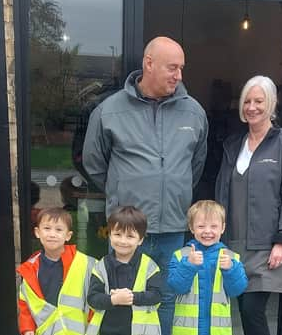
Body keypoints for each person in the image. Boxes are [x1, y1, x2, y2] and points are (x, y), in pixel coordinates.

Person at [82, 36, 209, 334]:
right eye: (172, 67)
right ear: (149, 64)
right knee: (120, 296)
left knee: (164, 298)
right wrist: (123, 190)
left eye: (182, 68)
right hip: (127, 230)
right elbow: (94, 164)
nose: (179, 75)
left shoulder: (194, 112)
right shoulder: (109, 110)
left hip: (172, 228)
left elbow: (196, 165)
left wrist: (173, 190)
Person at [215, 75, 282, 335]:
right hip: (233, 246)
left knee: (252, 311)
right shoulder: (233, 144)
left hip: (267, 247)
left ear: (272, 104)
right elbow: (222, 191)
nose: (251, 107)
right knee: (243, 310)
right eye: (247, 101)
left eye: (259, 101)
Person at [168, 200, 247, 335]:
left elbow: (237, 290)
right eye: (201, 226)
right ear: (191, 228)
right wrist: (188, 265)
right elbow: (176, 286)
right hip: (186, 331)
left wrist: (230, 269)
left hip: (218, 331)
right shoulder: (181, 256)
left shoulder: (231, 258)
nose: (207, 231)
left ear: (222, 228)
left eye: (214, 226)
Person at [17, 207, 96, 335]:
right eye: (47, 228)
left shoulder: (85, 264)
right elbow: (25, 303)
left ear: (68, 236)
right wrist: (28, 329)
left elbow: (95, 302)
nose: (52, 234)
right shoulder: (30, 269)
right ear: (37, 232)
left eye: (59, 229)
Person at [86, 206, 162, 335]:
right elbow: (92, 299)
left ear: (141, 240)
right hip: (106, 330)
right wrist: (113, 300)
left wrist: (131, 297)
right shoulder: (101, 266)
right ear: (109, 235)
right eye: (117, 234)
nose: (123, 241)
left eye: (130, 236)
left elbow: (157, 295)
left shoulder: (150, 266)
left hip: (141, 331)